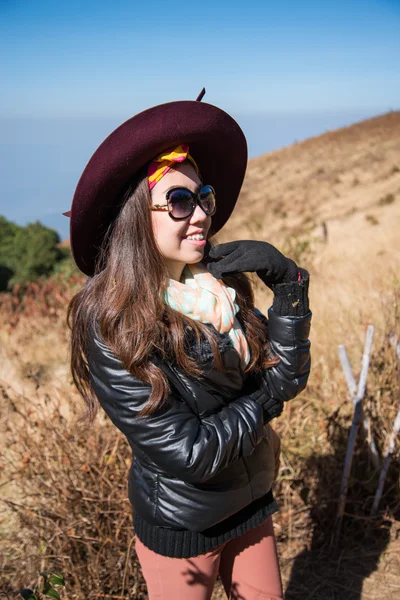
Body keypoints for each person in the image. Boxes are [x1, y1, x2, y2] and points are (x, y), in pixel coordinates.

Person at [64, 90, 311, 600]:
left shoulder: (221, 286)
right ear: (138, 215)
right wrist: (267, 399)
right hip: (184, 524)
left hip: (251, 496)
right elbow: (191, 452)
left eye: (205, 197)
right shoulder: (113, 322)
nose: (200, 214)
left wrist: (289, 286)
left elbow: (289, 373)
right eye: (179, 201)